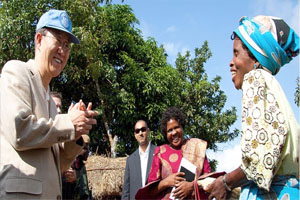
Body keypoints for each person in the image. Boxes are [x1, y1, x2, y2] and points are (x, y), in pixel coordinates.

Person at [0, 9, 98, 199]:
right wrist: (69, 123)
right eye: (58, 41)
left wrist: (76, 134)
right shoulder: (16, 71)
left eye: (67, 45)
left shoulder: (51, 104)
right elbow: (19, 130)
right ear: (38, 40)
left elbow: (58, 165)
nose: (63, 50)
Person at [206, 16, 299, 200]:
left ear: (256, 58)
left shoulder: (255, 80)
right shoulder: (273, 87)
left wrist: (225, 182)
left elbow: (261, 158)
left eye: (236, 53)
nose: (231, 62)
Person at [135, 107, 211, 199]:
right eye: (169, 130)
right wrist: (166, 182)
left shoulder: (197, 147)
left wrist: (192, 186)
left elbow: (210, 181)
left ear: (182, 127)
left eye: (177, 127)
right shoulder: (160, 152)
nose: (174, 132)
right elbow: (149, 192)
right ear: (165, 133)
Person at [122, 120, 156, 200]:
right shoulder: (130, 160)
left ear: (148, 131)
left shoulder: (159, 152)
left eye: (143, 130)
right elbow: (126, 191)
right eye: (137, 131)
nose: (140, 133)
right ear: (135, 135)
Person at [71, 135, 91, 200]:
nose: (88, 151)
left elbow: (84, 191)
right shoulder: (68, 166)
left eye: (88, 148)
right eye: (85, 148)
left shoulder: (81, 166)